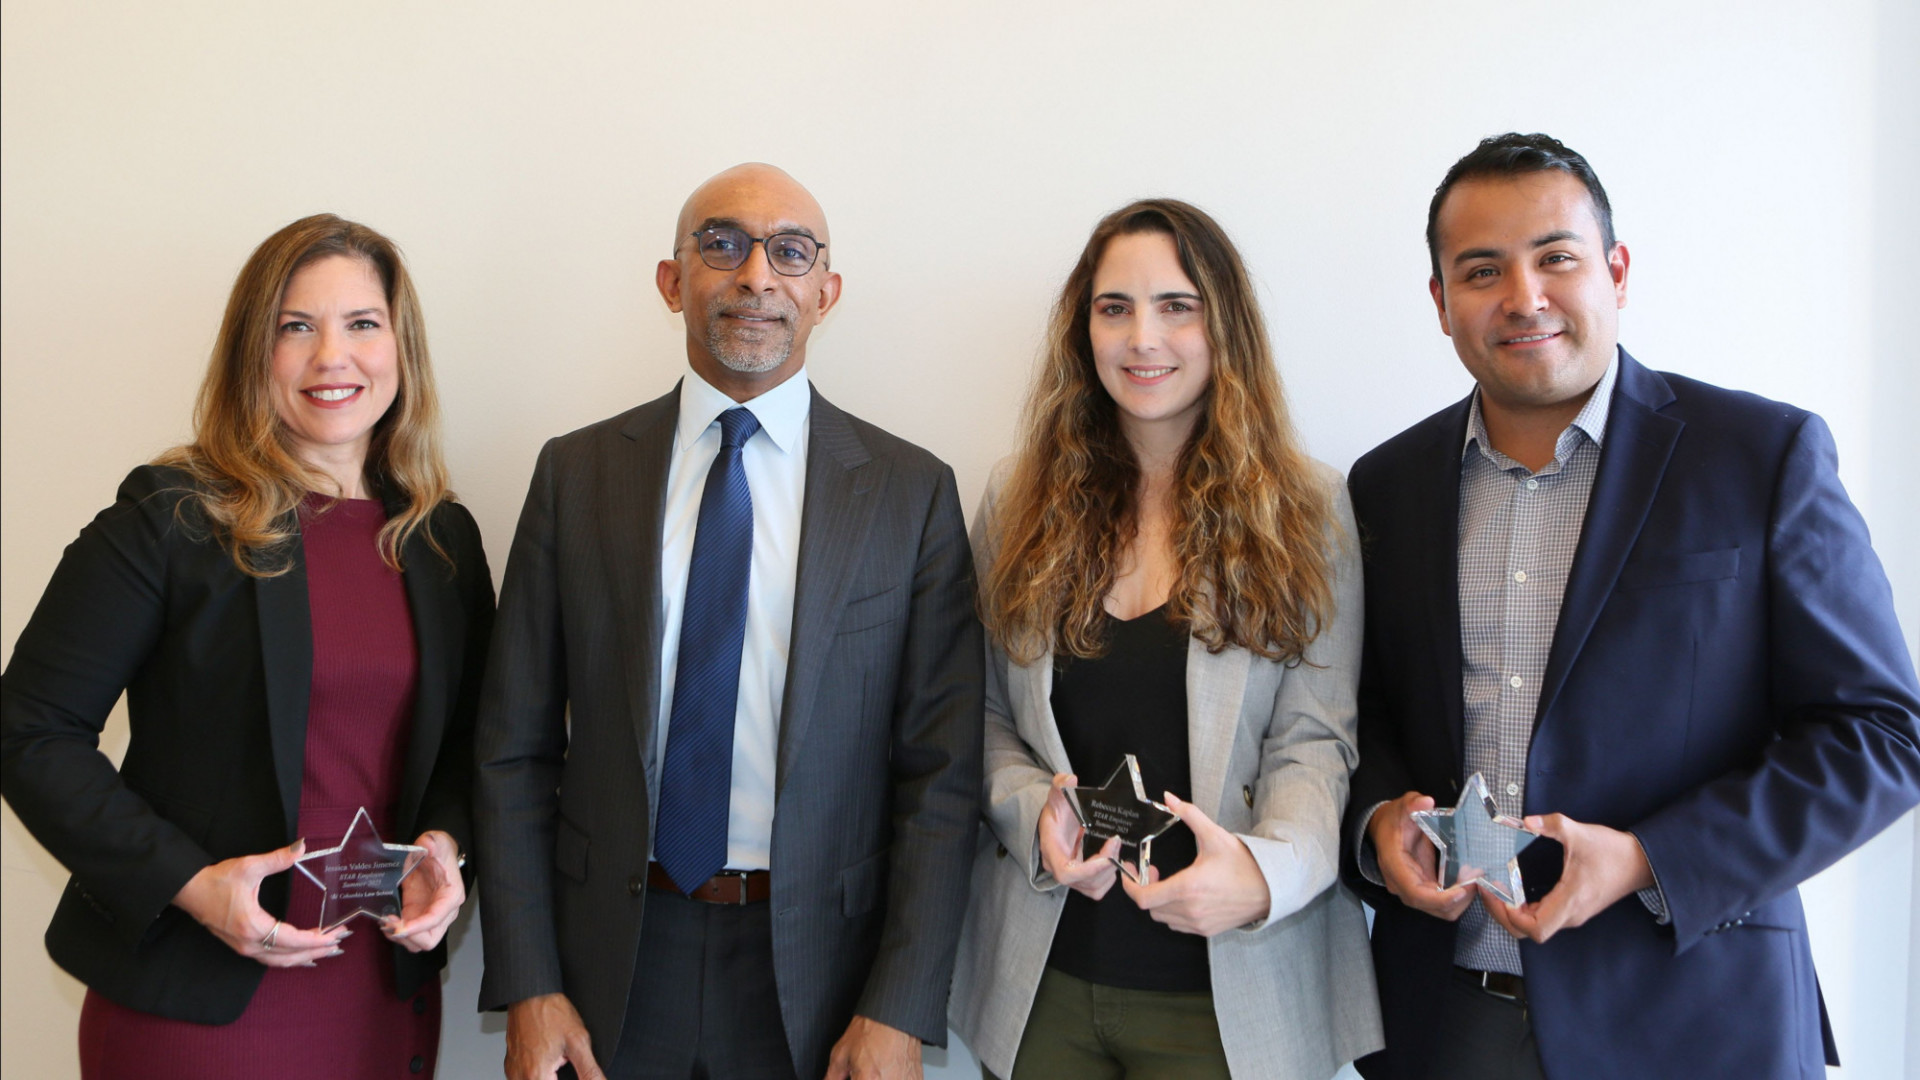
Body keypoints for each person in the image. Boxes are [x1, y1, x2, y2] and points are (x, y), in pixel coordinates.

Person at [1341, 132, 1920, 1079]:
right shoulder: (1386, 484)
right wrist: (1376, 823)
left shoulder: (1761, 456)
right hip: (1447, 1022)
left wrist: (1651, 858)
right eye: (1482, 271)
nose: (1524, 296)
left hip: (1694, 1020)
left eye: (1556, 258)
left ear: (1615, 271)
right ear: (1441, 303)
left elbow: (1881, 734)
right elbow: (1359, 715)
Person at [473, 163, 983, 1080]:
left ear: (825, 293)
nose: (756, 276)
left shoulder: (909, 495)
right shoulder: (576, 476)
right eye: (722, 244)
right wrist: (529, 983)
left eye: (789, 252)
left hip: (822, 972)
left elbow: (942, 777)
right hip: (611, 961)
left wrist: (900, 1007)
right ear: (672, 281)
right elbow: (512, 749)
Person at [0, 213, 494, 1079]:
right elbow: (29, 732)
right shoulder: (170, 519)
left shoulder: (440, 538)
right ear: (251, 353)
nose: (331, 356)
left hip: (381, 997)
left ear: (401, 348)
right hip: (200, 1004)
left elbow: (473, 743)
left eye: (362, 323)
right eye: (294, 327)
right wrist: (191, 886)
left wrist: (445, 849)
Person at [949, 198, 1382, 1080]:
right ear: (1083, 330)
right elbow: (983, 717)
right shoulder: (1015, 498)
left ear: (1225, 326)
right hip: (1042, 989)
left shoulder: (1307, 507)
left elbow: (1315, 739)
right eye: (1115, 308)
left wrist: (1264, 874)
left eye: (1177, 306)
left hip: (1233, 998)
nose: (1143, 338)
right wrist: (1036, 816)